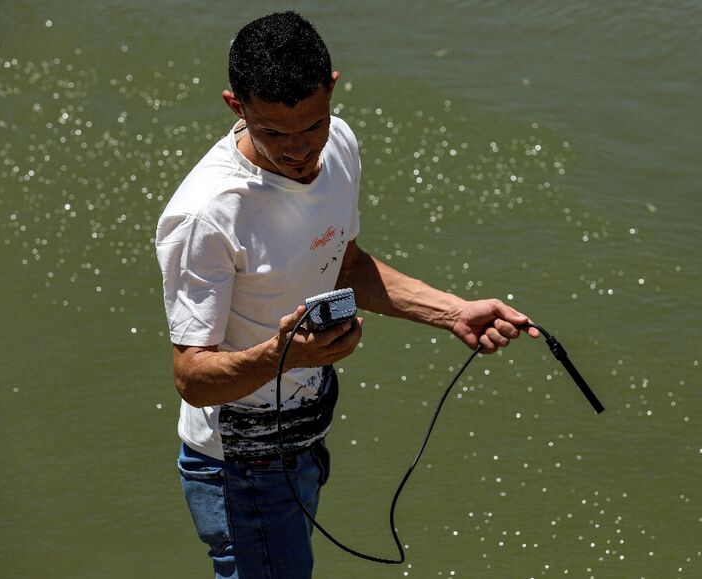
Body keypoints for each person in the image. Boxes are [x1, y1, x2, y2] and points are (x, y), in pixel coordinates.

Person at [155, 11, 539, 578]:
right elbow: (191, 378)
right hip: (238, 466)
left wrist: (455, 312)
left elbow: (346, 265)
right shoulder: (205, 216)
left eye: (311, 126)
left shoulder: (341, 147)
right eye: (274, 133)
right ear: (236, 107)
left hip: (305, 438)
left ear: (331, 88)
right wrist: (288, 355)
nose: (298, 151)